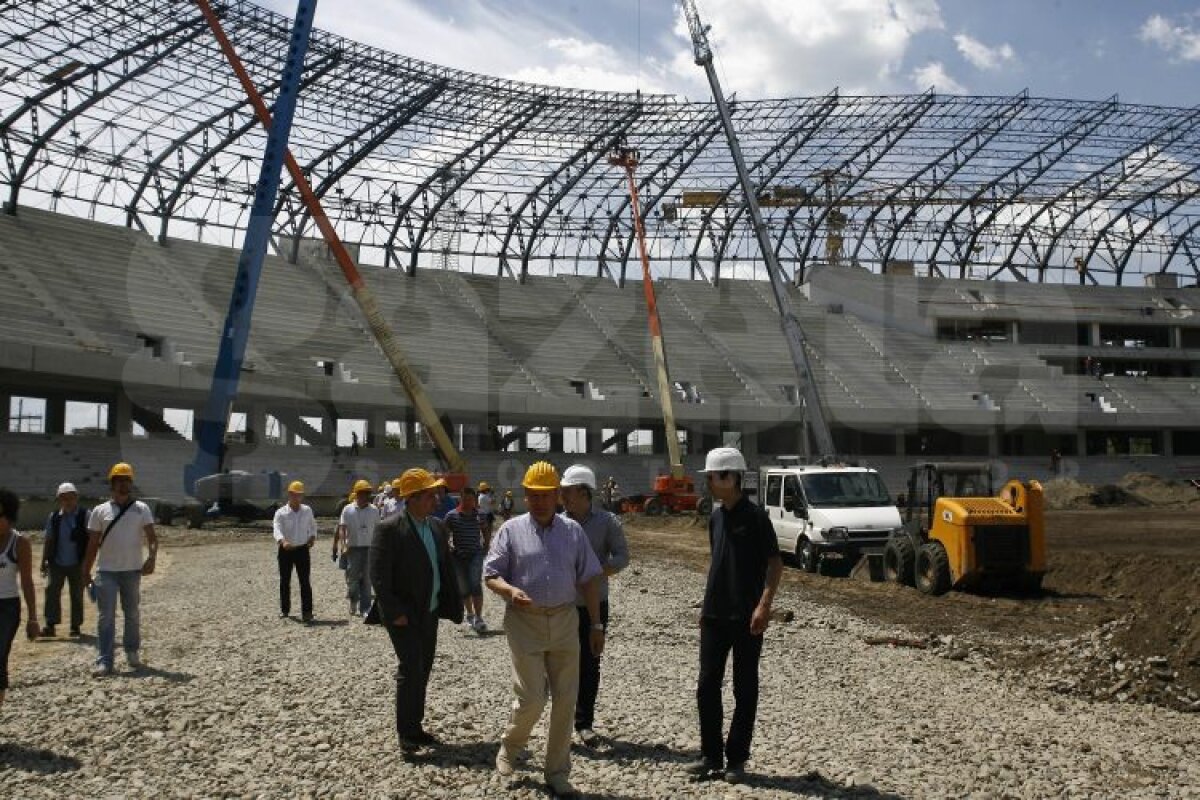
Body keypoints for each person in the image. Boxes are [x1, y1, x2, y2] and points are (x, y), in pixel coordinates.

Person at [484, 461, 604, 800]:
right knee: (533, 698)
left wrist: (596, 624)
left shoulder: (573, 532)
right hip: (525, 622)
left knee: (566, 699)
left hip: (566, 621)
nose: (539, 501)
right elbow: (491, 574)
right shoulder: (510, 530)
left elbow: (589, 579)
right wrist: (509, 591)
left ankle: (556, 772)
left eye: (546, 495)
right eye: (533, 495)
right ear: (525, 496)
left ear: (557, 496)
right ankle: (510, 746)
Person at [686, 447, 782, 785]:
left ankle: (736, 758)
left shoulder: (757, 518)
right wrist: (704, 606)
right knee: (706, 686)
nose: (709, 482)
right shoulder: (715, 518)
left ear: (730, 477)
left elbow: (774, 564)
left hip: (747, 618)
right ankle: (710, 755)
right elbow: (718, 565)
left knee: (745, 688)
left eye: (712, 476)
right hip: (714, 616)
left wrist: (764, 605)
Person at [368, 468, 462, 754]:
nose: (436, 499)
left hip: (429, 611)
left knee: (424, 667)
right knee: (410, 668)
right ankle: (406, 733)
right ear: (413, 498)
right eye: (430, 494)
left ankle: (416, 726)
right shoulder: (389, 528)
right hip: (403, 614)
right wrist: (393, 610)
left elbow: (443, 566)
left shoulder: (436, 526)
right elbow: (379, 575)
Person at [559, 464, 629, 747]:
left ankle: (584, 723)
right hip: (561, 604)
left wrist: (595, 574)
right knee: (560, 664)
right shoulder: (557, 522)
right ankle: (561, 722)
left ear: (583, 492)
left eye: (568, 492)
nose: (563, 497)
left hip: (593, 605)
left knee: (589, 663)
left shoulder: (607, 522)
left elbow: (622, 556)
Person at [81, 462, 158, 677]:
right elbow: (92, 543)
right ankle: (105, 660)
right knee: (106, 616)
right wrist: (85, 571)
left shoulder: (141, 509)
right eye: (120, 480)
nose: (124, 484)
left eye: (127, 480)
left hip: (132, 571)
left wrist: (152, 557)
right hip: (106, 571)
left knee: (131, 613)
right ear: (112, 484)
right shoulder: (100, 511)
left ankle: (132, 651)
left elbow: (152, 538)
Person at [0, 489, 41, 705]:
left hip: (7, 608)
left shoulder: (20, 543)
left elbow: (27, 581)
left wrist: (32, 617)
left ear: (9, 517)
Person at [40, 481, 89, 638]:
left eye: (70, 497)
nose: (67, 501)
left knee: (76, 594)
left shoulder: (85, 515)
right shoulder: (54, 517)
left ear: (76, 498)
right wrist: (44, 560)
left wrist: (87, 563)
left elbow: (91, 539)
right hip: (57, 562)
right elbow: (49, 539)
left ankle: (75, 626)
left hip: (77, 562)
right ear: (59, 500)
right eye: (64, 498)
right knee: (52, 591)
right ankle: (50, 624)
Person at [444, 486, 488, 633]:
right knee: (463, 587)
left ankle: (479, 617)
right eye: (465, 499)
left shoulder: (480, 515)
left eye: (471, 499)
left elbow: (485, 530)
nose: (469, 502)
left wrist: (486, 546)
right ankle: (469, 613)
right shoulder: (451, 515)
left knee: (475, 584)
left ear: (474, 500)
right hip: (458, 556)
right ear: (460, 499)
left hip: (475, 554)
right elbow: (445, 533)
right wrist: (448, 547)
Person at [273, 480, 317, 624]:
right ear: (290, 494)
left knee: (305, 581)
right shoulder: (281, 513)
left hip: (302, 550)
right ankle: (285, 610)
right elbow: (277, 528)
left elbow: (312, 525)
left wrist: (312, 536)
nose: (298, 498)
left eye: (300, 495)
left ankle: (307, 612)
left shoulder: (307, 510)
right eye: (295, 495)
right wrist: (282, 541)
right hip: (286, 550)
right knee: (285, 580)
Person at [336, 479, 378, 618]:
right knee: (352, 578)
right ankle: (353, 600)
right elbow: (342, 528)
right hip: (352, 548)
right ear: (357, 494)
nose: (365, 496)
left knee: (367, 579)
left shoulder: (374, 510)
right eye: (362, 493)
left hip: (369, 548)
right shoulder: (347, 509)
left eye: (367, 493)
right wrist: (343, 545)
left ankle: (365, 608)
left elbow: (378, 530)